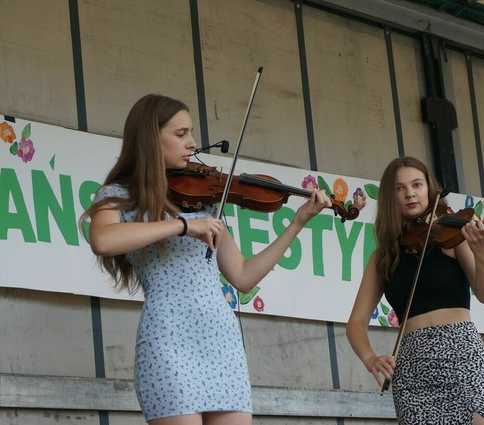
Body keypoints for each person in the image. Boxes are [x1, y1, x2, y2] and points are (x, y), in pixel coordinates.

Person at [82, 94, 331, 425]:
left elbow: (242, 276)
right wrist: (183, 225)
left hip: (220, 338)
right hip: (168, 338)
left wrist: (297, 223)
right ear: (151, 138)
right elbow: (102, 240)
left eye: (191, 134)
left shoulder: (203, 201)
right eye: (181, 134)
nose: (193, 143)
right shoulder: (119, 196)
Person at [346, 156, 484, 424]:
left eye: (417, 185)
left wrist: (481, 251)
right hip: (414, 367)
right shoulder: (383, 256)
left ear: (429, 190)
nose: (410, 193)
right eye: (400, 188)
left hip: (462, 354)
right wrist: (370, 358)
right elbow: (356, 322)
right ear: (390, 198)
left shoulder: (451, 238)